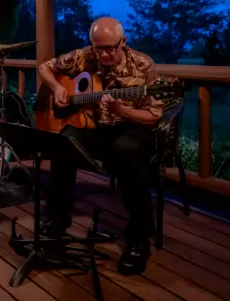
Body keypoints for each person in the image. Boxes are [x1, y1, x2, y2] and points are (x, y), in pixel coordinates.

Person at [37, 17, 163, 276]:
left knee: (127, 151)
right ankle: (56, 223)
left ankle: (139, 239)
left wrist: (122, 110)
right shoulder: (84, 56)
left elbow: (153, 116)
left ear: (123, 41)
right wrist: (58, 87)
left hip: (132, 128)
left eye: (110, 48)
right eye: (98, 48)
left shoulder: (143, 65)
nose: (104, 54)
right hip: (94, 128)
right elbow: (44, 67)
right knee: (64, 141)